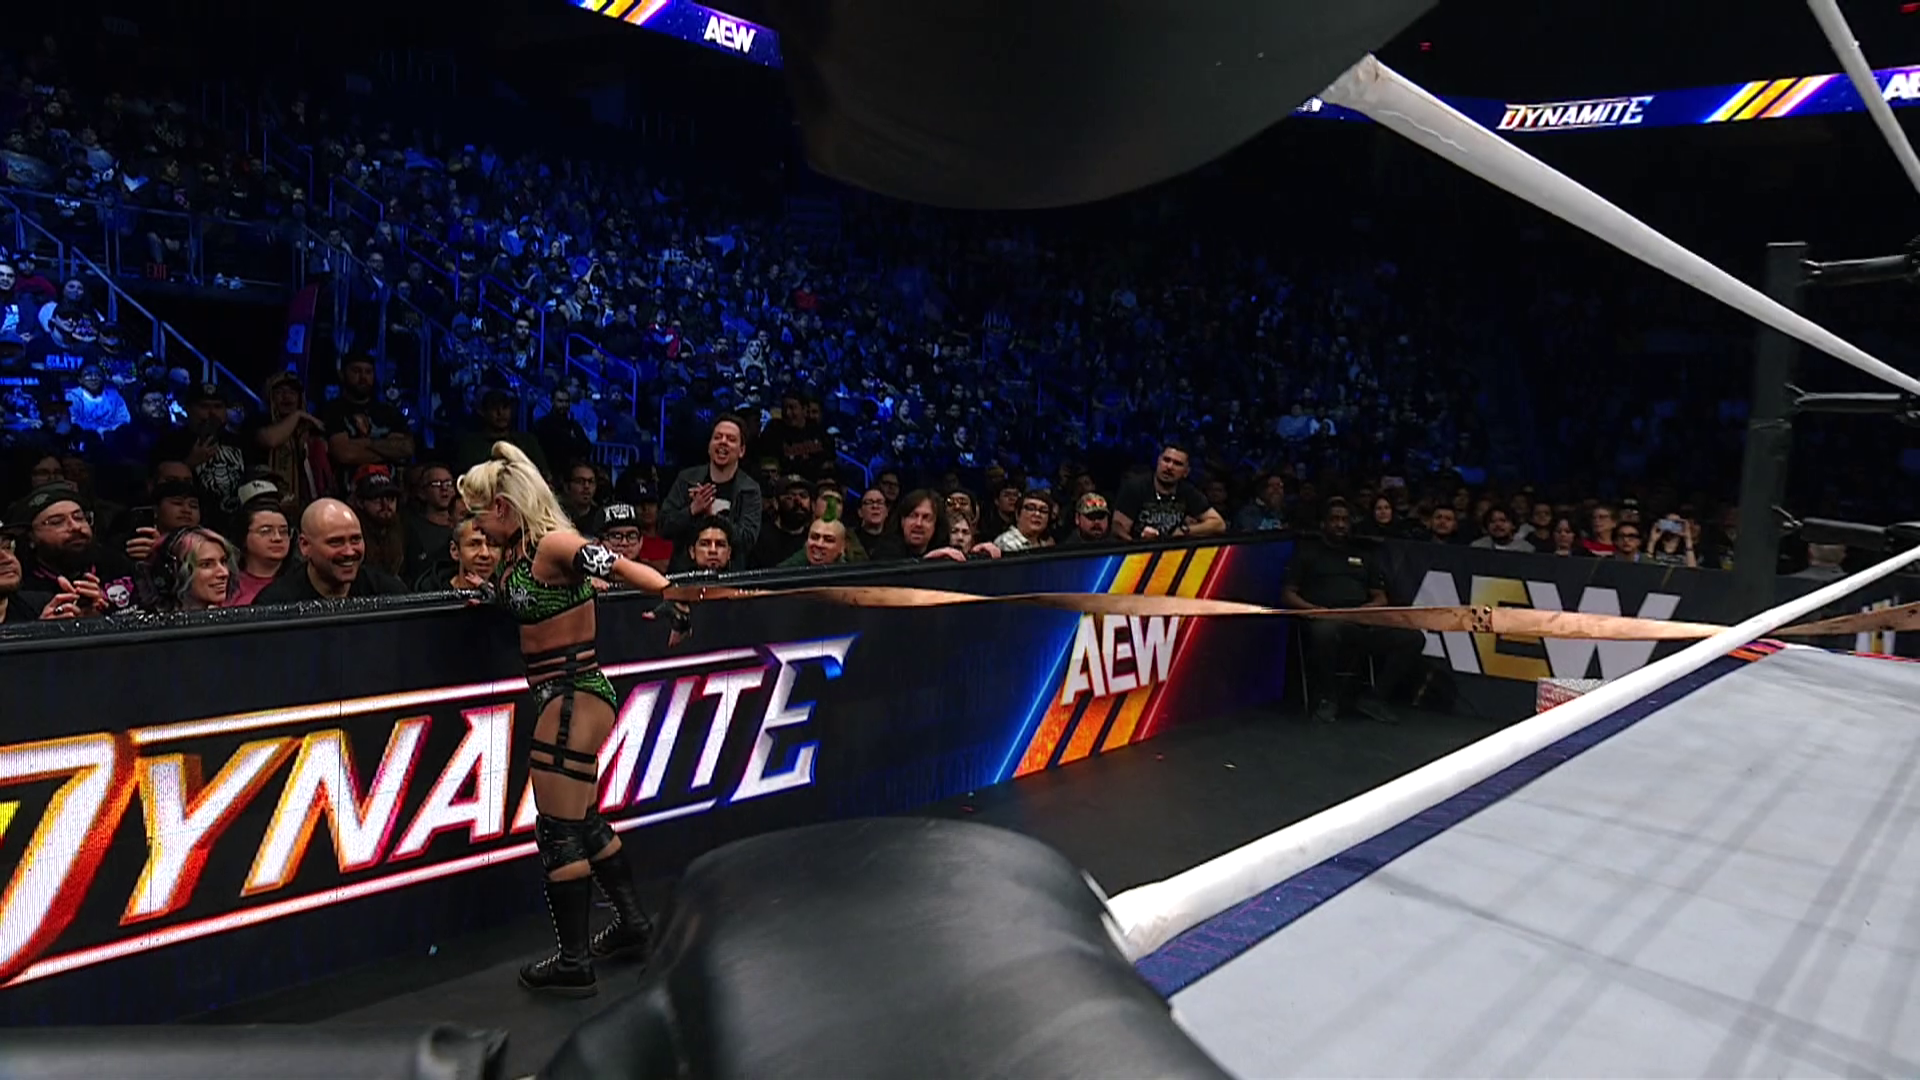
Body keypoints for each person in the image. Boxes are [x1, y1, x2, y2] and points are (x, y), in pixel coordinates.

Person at [458, 441, 682, 997]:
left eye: (480, 512)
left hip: (572, 694)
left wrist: (670, 595)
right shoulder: (518, 553)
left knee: (558, 832)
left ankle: (575, 962)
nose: (476, 525)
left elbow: (618, 564)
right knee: (581, 821)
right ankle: (633, 924)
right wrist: (488, 594)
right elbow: (529, 605)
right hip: (564, 697)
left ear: (504, 506)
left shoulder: (554, 543)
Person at [1281, 498, 1426, 725]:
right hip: (1324, 618)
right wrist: (1314, 610)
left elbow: (1380, 597)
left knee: (1413, 638)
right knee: (1324, 631)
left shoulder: (1364, 555)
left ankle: (1374, 698)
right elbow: (1288, 594)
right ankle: (1327, 698)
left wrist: (1365, 610)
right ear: (1323, 524)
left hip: (1360, 621)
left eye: (1345, 520)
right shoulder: (1307, 553)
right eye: (1334, 519)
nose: (1340, 524)